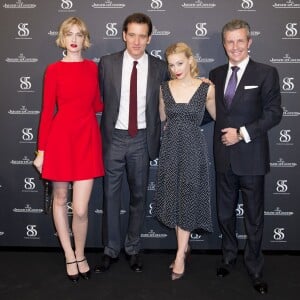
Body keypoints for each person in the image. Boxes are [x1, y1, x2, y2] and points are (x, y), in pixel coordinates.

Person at [209, 19, 282, 294]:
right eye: (230, 41)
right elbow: (210, 112)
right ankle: (228, 257)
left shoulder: (266, 73)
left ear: (249, 42)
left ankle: (254, 266)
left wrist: (241, 133)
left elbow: (274, 113)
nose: (235, 46)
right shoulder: (215, 74)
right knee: (225, 214)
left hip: (251, 156)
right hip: (223, 158)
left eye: (241, 41)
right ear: (224, 44)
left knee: (253, 217)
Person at [94, 13, 169, 274]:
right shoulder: (107, 63)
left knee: (139, 196)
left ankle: (133, 248)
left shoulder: (160, 67)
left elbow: (172, 98)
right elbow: (95, 99)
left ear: (149, 38)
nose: (137, 41)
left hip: (142, 139)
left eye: (142, 36)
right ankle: (110, 250)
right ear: (124, 35)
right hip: (114, 137)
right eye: (132, 35)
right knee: (110, 195)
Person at [33, 16, 105, 282]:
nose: (74, 39)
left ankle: (81, 252)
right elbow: (46, 111)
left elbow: (98, 105)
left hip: (87, 138)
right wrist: (42, 150)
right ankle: (68, 254)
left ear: (85, 39)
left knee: (82, 208)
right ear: (62, 38)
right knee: (61, 199)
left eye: (79, 34)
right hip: (60, 139)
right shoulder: (53, 70)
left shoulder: (93, 69)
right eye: (69, 34)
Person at [153, 42, 216, 280]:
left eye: (180, 63)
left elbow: (219, 116)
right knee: (175, 198)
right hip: (170, 149)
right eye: (171, 65)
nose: (176, 68)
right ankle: (184, 247)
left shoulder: (206, 89)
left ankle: (180, 255)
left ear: (190, 60)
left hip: (193, 150)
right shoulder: (164, 88)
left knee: (188, 196)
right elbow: (161, 117)